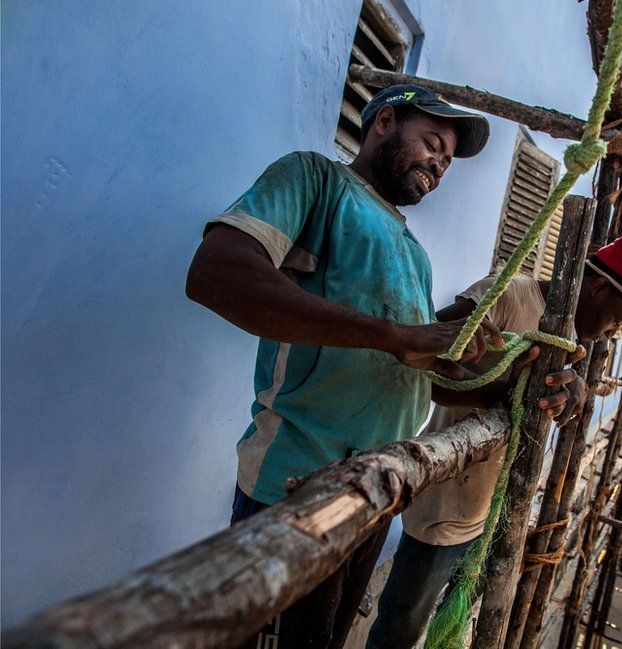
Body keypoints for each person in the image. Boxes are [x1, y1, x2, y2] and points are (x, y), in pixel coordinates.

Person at [185, 84, 499, 649]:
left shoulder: (413, 251)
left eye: (447, 160)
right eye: (431, 143)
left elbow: (407, 361)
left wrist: (459, 363)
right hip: (299, 487)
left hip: (379, 490)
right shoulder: (315, 179)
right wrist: (394, 334)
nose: (439, 164)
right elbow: (215, 274)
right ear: (382, 122)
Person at [366, 235, 622, 649]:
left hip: (498, 508)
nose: (611, 335)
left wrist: (569, 398)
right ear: (599, 288)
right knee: (400, 632)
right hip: (444, 509)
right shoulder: (510, 295)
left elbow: (541, 406)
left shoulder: (569, 339)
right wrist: (507, 393)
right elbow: (424, 362)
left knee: (457, 628)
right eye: (618, 322)